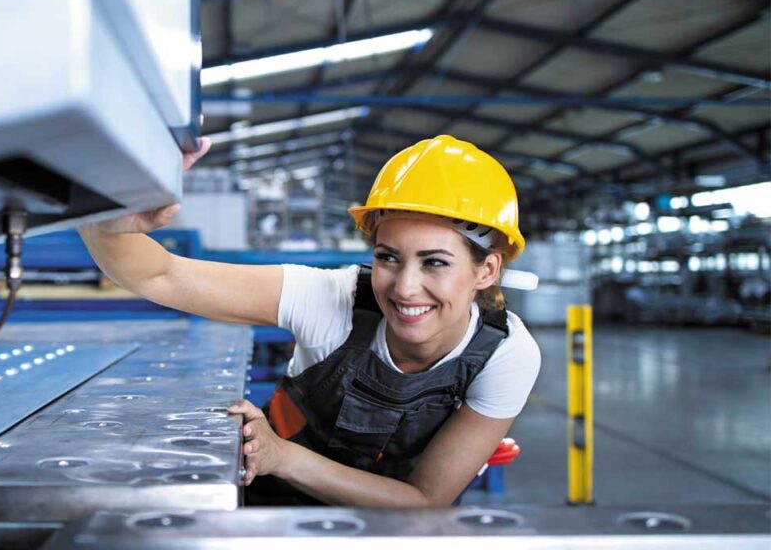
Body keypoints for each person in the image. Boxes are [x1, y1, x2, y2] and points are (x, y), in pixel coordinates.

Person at [78, 134, 541, 508]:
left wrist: (283, 456)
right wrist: (107, 216)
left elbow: (425, 499)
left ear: (487, 270)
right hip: (273, 514)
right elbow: (160, 275)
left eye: (435, 262)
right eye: (388, 257)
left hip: (399, 533)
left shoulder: (504, 355)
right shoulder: (332, 299)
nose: (404, 288)